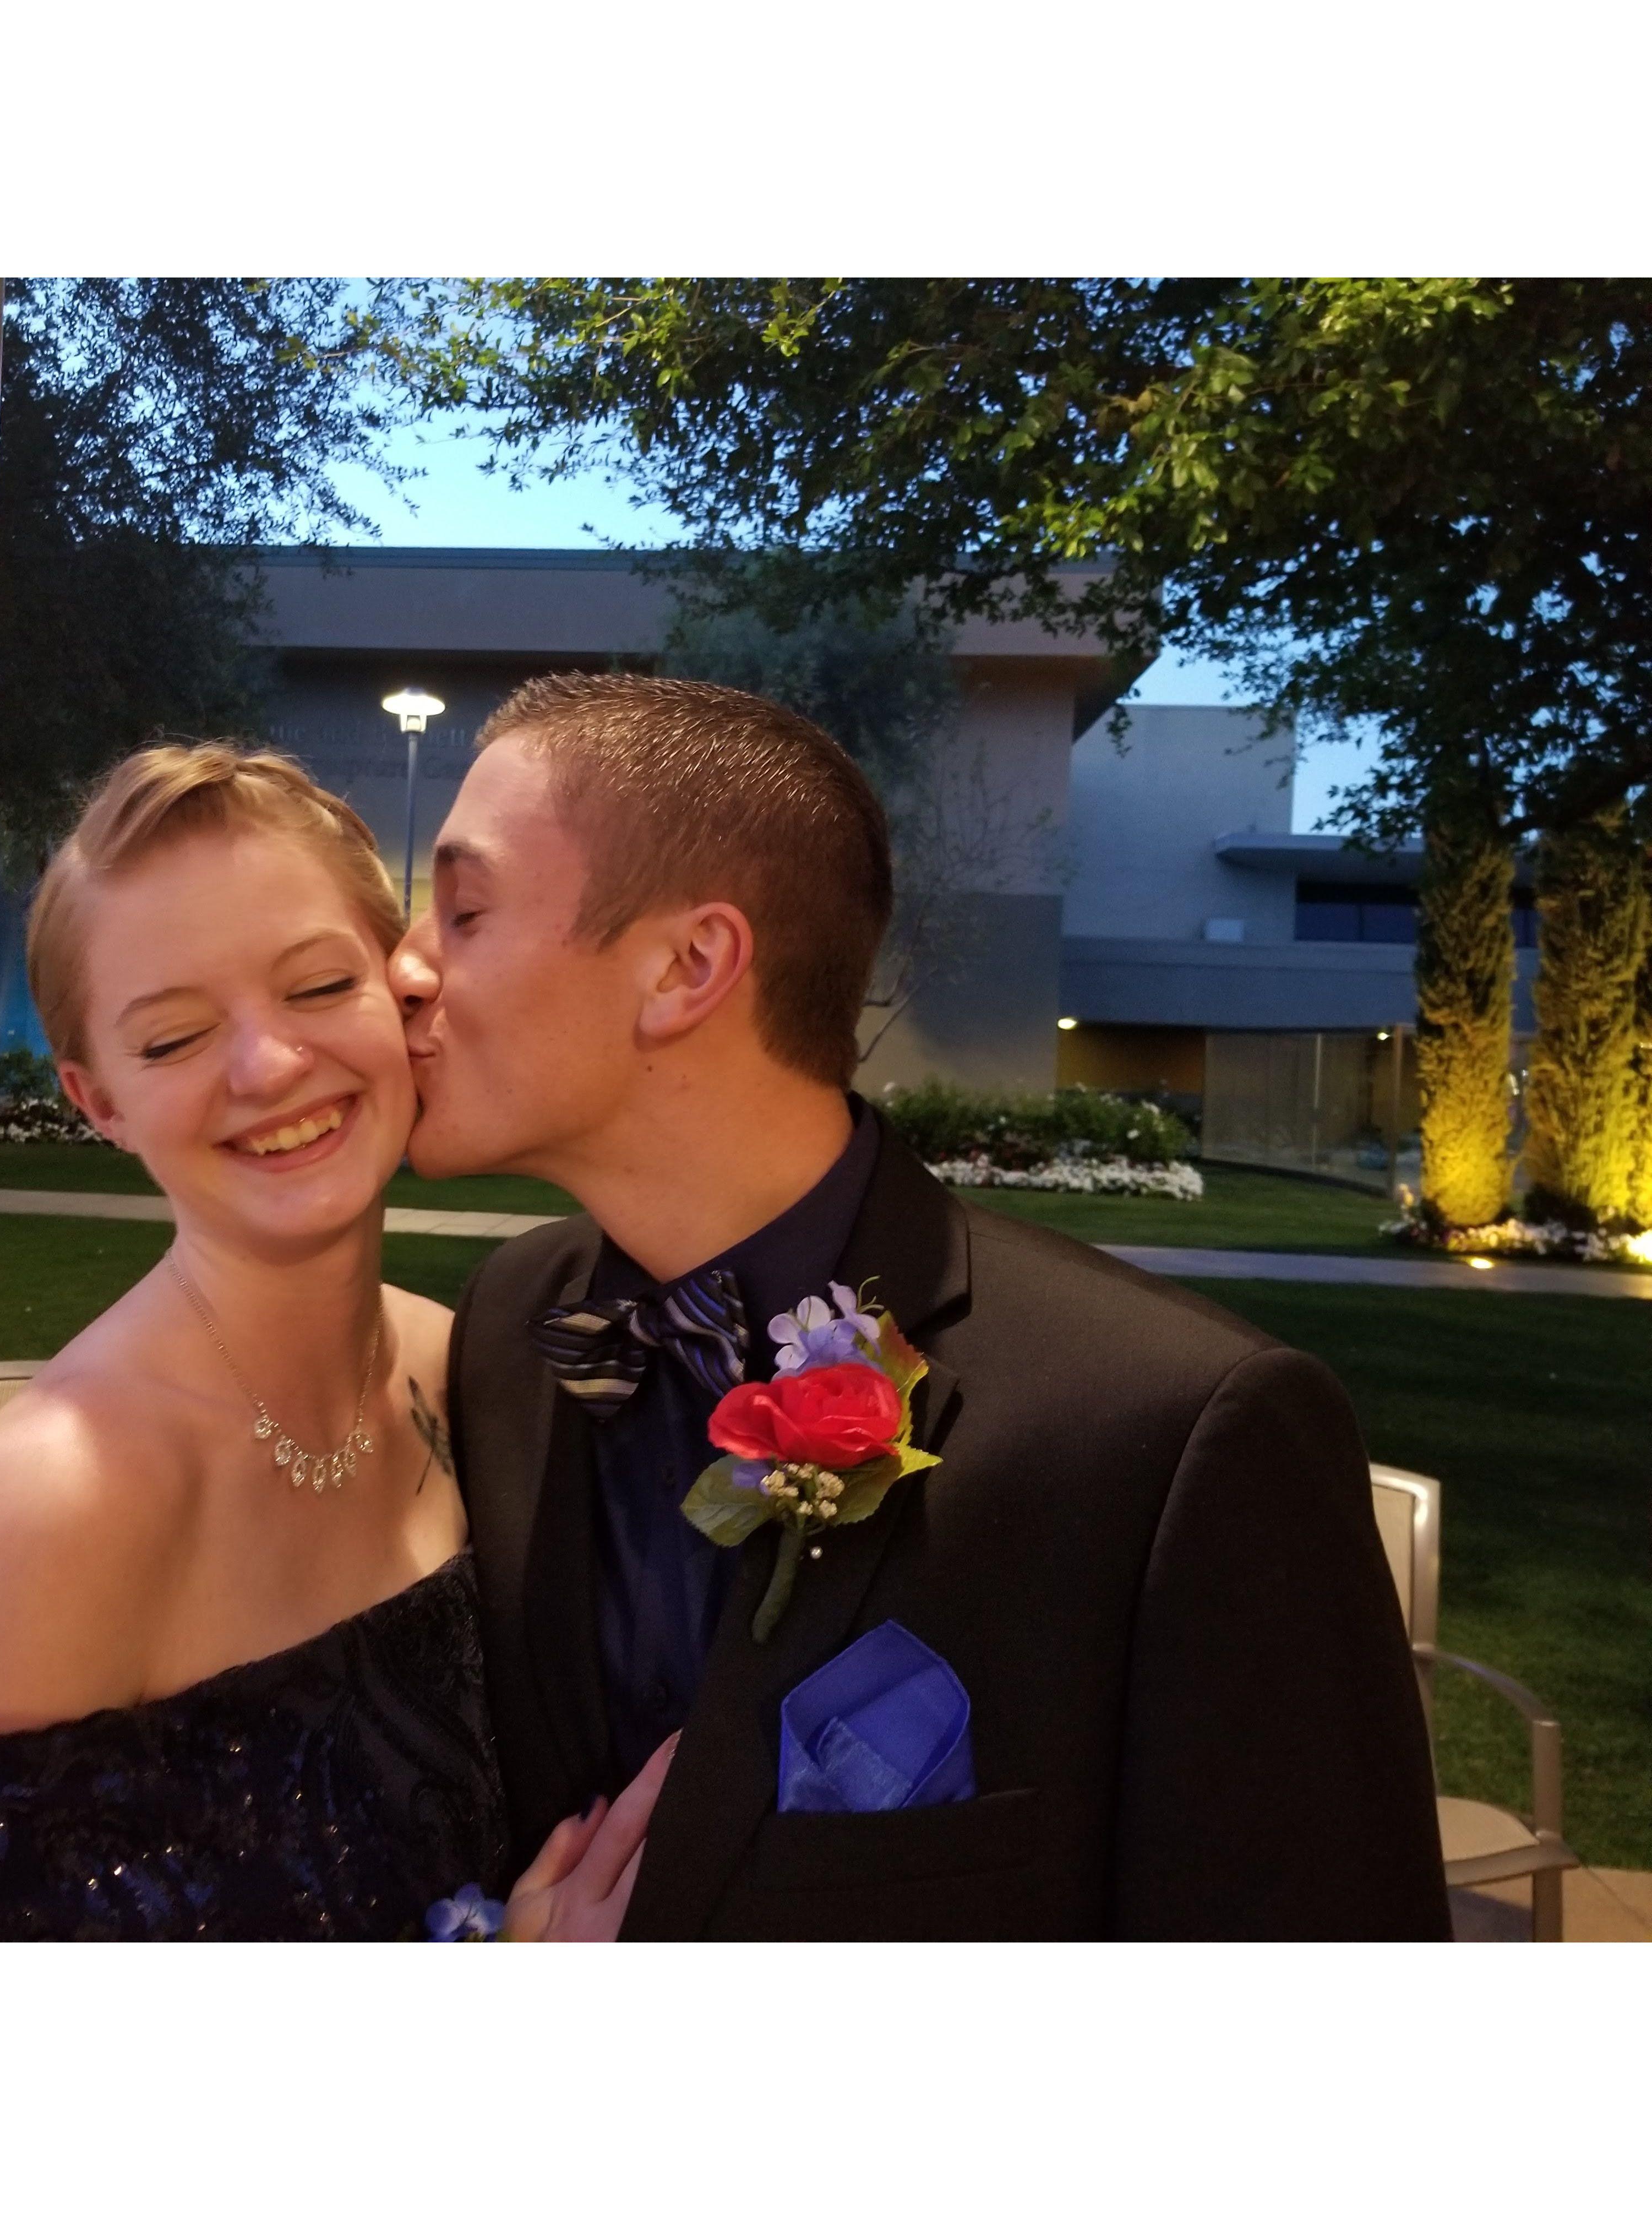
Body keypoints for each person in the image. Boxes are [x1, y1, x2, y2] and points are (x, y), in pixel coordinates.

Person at [391, 672, 1453, 1941]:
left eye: (460, 910)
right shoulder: (516, 1324)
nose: (400, 968)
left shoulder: (1172, 1439)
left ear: (688, 966)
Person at [0, 743, 668, 1940]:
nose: (270, 1065)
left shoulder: (465, 1366)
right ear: (100, 1103)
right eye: (174, 1039)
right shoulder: (66, 1494)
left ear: (402, 991)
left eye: (316, 987)